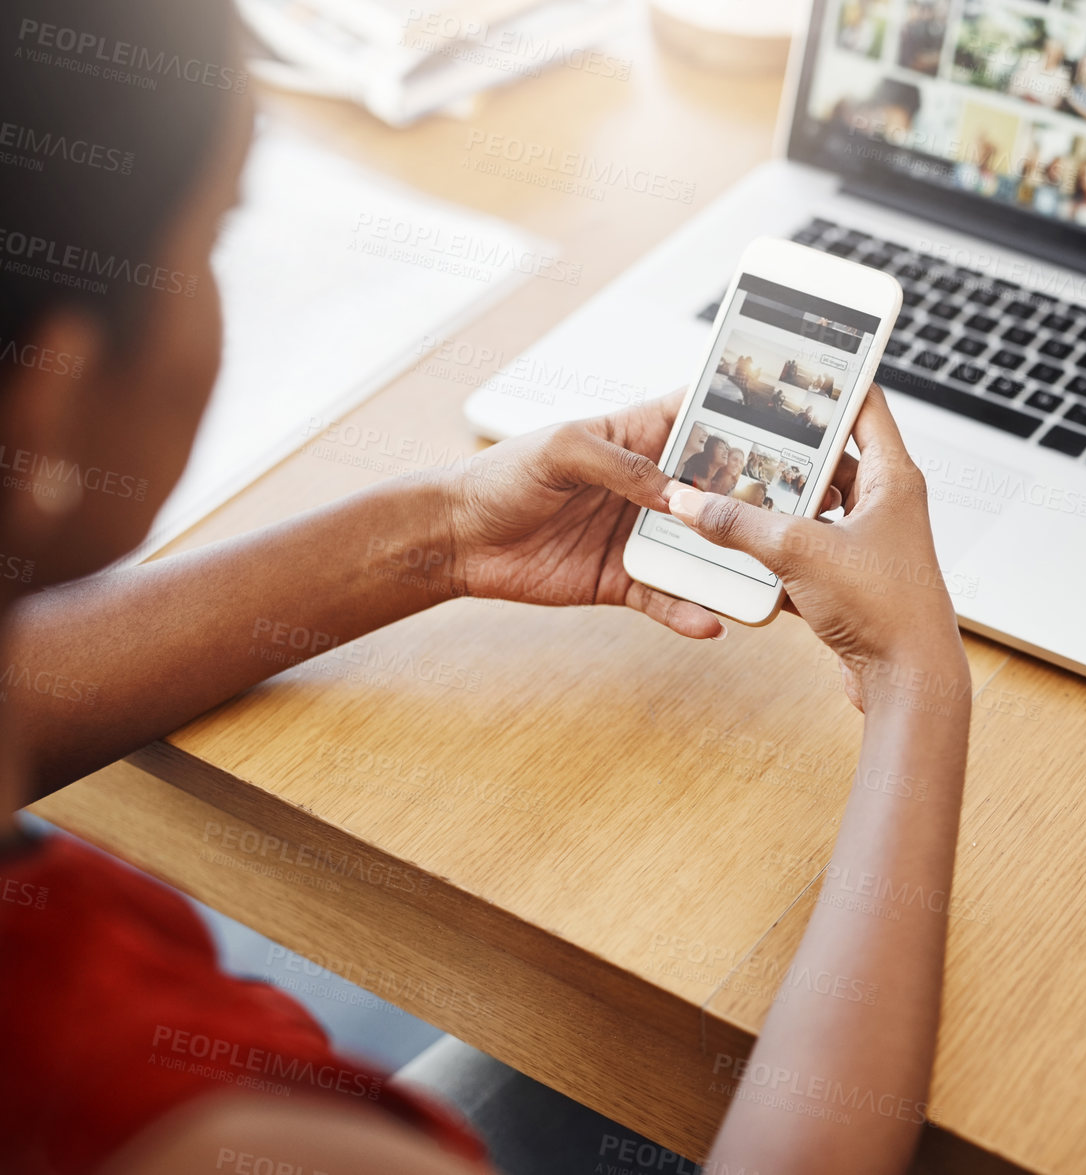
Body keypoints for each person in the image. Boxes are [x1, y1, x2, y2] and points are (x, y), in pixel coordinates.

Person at [0, 1, 973, 1173]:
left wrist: (446, 530)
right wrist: (915, 682)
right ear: (52, 404)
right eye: (214, 236)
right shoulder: (184, 1127)